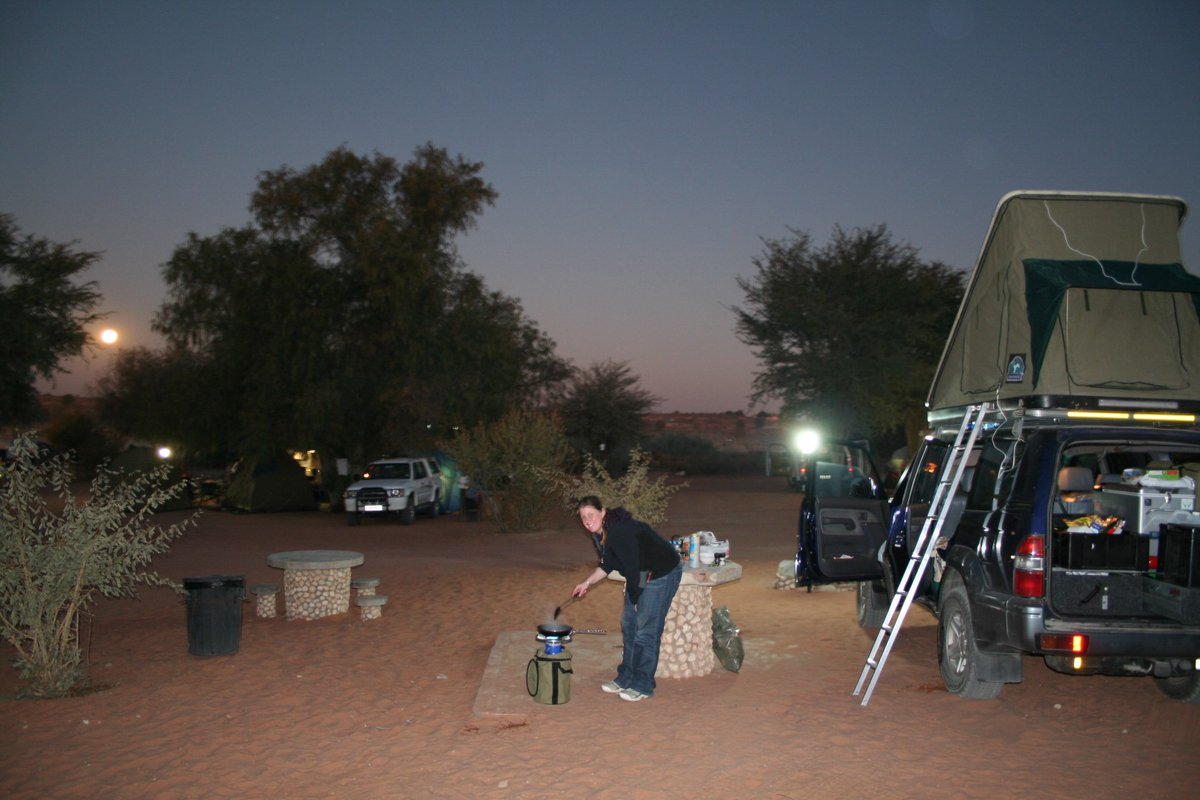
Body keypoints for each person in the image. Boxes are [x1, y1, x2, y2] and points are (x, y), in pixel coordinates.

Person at [571, 495, 682, 702]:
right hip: (642, 573)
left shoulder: (620, 531)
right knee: (629, 625)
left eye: (591, 515)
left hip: (660, 572)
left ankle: (643, 684)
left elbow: (635, 568)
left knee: (646, 631)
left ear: (602, 511)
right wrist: (586, 583)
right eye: (583, 517)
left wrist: (637, 598)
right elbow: (608, 564)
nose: (587, 520)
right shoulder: (602, 533)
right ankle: (626, 677)